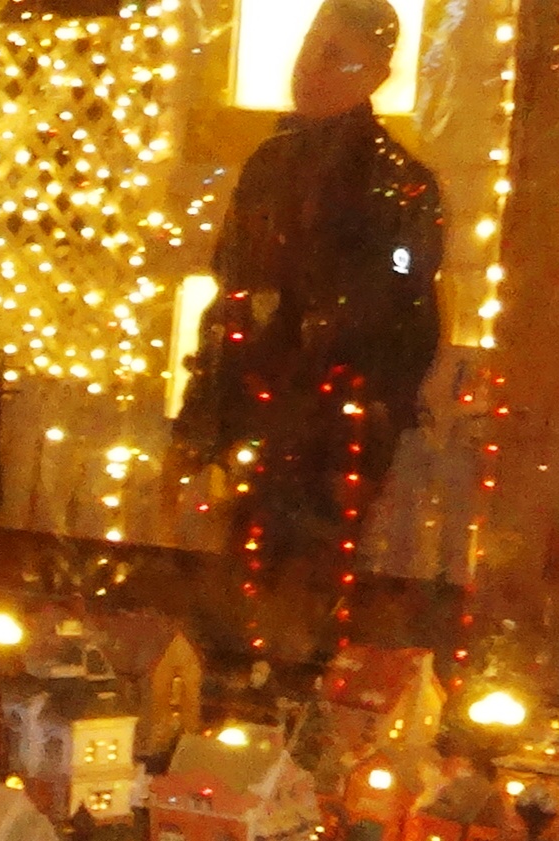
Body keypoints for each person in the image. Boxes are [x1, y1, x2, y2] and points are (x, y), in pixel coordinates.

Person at [179, 0, 443, 654]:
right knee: (233, 603)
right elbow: (232, 294)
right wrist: (201, 416)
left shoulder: (400, 184)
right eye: (309, 47)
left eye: (333, 55)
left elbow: (404, 324)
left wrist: (356, 413)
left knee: (304, 606)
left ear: (375, 75)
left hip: (330, 442)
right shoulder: (271, 165)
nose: (308, 68)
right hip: (254, 425)